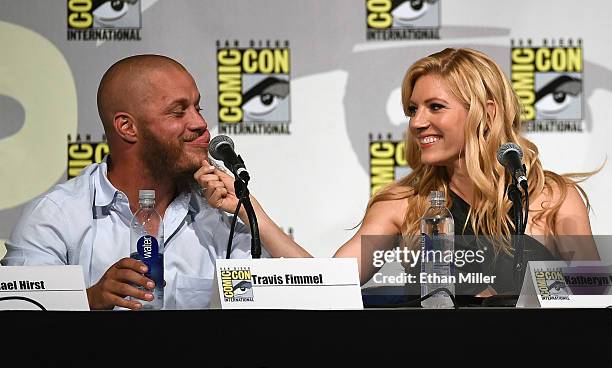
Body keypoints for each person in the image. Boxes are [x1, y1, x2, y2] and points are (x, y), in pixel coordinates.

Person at [201, 47, 599, 298]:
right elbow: (327, 285)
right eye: (413, 109)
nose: (416, 122)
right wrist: (256, 213)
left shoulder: (553, 198)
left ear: (487, 112)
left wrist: (536, 289)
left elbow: (597, 292)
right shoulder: (403, 204)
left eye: (435, 107)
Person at [1, 54, 306, 310]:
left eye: (198, 108)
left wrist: (254, 215)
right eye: (178, 111)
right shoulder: (57, 214)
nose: (200, 124)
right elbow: (17, 314)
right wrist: (90, 300)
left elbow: (311, 294)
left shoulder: (219, 217)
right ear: (127, 127)